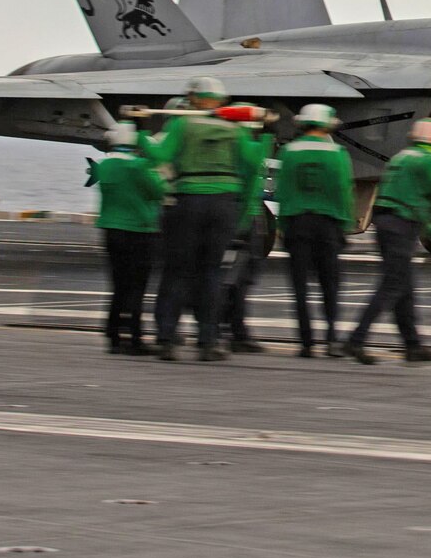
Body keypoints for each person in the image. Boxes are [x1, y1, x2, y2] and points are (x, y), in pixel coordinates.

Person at [139, 76, 262, 362]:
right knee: (211, 272)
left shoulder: (183, 123)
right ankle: (209, 342)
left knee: (176, 271)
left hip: (187, 201)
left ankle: (166, 339)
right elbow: (253, 164)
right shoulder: (235, 128)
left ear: (193, 99)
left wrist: (138, 130)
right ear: (221, 100)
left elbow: (160, 155)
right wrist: (264, 135)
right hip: (223, 205)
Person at [346, 118, 431, 365]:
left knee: (404, 287)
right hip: (402, 226)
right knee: (393, 286)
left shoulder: (400, 158)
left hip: (384, 222)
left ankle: (412, 345)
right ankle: (355, 340)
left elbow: (402, 198)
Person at [275, 103, 355, 358]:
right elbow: (344, 191)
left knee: (300, 287)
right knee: (329, 284)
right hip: (328, 224)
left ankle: (306, 343)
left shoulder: (289, 151)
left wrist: (282, 226)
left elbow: (283, 192)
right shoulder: (338, 152)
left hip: (297, 223)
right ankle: (332, 338)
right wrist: (345, 225)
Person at [89, 122, 165, 355]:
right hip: (139, 231)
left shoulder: (103, 165)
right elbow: (158, 192)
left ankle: (113, 335)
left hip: (111, 230)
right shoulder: (139, 166)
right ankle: (134, 339)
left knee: (118, 286)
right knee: (137, 288)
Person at [217, 104, 277, 354]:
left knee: (238, 280)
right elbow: (259, 155)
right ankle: (230, 332)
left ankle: (232, 331)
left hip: (247, 219)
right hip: (244, 221)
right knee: (235, 281)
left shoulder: (230, 149)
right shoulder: (245, 149)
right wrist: (268, 128)